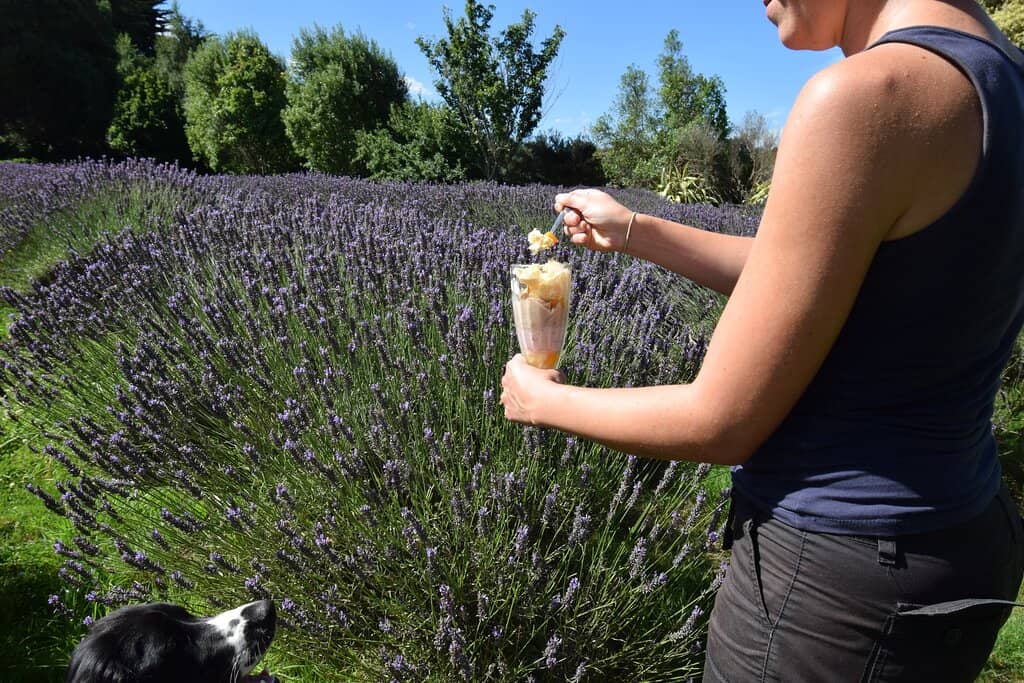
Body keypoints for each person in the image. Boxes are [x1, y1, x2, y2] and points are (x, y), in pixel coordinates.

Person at [500, 0, 1024, 680]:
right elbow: (825, 270)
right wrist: (636, 230)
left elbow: (721, 420)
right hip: (966, 531)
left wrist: (541, 399)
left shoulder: (868, 96)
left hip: (837, 581)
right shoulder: (1005, 81)